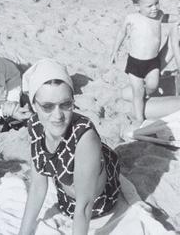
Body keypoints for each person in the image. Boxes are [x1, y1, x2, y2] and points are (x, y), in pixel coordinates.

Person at [19, 59, 120, 235]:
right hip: (65, 198)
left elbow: (85, 205)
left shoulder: (85, 138)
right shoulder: (35, 125)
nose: (57, 115)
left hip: (97, 203)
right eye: (47, 106)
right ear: (34, 106)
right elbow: (37, 186)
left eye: (66, 104)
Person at [110, 0, 177, 126]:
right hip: (135, 63)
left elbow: (167, 17)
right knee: (137, 90)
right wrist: (115, 50)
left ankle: (142, 96)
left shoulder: (158, 16)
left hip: (152, 61)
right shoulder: (132, 18)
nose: (154, 8)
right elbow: (122, 32)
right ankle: (139, 118)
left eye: (157, 3)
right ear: (137, 6)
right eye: (149, 6)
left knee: (153, 85)